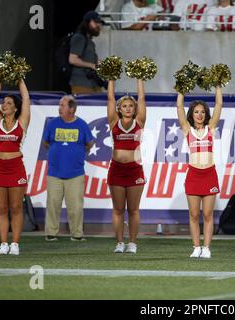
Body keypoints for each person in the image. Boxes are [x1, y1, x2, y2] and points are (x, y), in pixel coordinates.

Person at [177, 87, 223, 258]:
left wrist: (218, 85)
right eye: (196, 112)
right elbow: (179, 107)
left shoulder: (211, 128)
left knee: (208, 214)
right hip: (194, 175)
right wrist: (182, 89)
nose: (199, 115)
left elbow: (219, 104)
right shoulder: (187, 130)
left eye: (202, 112)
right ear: (192, 114)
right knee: (194, 215)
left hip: (209, 174)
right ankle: (196, 247)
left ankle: (207, 248)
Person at [43, 95, 94, 241]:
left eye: (62, 105)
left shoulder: (82, 125)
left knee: (76, 207)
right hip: (54, 172)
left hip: (76, 173)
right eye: (59, 105)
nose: (59, 108)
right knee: (52, 204)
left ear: (71, 108)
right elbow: (46, 142)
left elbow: (89, 144)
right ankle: (51, 233)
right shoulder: (52, 123)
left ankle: (77, 235)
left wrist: (75, 153)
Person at [0, 79, 30, 255]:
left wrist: (19, 78)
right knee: (1, 208)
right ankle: (3, 243)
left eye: (9, 103)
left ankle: (15, 244)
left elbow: (26, 98)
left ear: (15, 108)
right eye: (3, 102)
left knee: (16, 207)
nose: (4, 105)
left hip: (15, 168)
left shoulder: (21, 123)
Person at [107, 79, 147, 254]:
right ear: (119, 109)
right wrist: (111, 79)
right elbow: (109, 98)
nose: (128, 108)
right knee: (118, 209)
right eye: (124, 106)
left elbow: (142, 98)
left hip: (134, 170)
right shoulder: (113, 121)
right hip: (116, 170)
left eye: (131, 106)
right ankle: (119, 243)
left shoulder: (140, 121)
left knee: (133, 209)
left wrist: (140, 79)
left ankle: (132, 243)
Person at [69, 11, 104, 94]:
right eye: (95, 22)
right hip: (81, 84)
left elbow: (91, 59)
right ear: (87, 22)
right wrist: (92, 65)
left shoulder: (89, 41)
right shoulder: (79, 38)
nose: (98, 25)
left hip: (93, 84)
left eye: (99, 23)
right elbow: (72, 59)